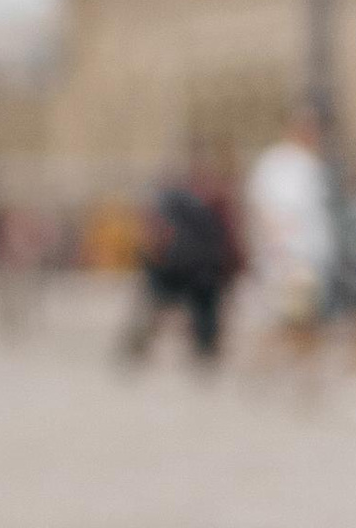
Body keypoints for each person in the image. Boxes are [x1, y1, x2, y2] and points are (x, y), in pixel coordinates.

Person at [120, 170, 241, 367]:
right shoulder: (181, 209)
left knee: (199, 305)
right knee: (156, 305)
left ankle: (204, 348)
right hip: (181, 270)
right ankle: (201, 348)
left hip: (195, 271)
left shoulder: (192, 212)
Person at [246, 104, 334, 359]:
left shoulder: (312, 164)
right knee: (292, 315)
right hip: (290, 253)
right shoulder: (276, 163)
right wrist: (281, 246)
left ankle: (301, 364)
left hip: (313, 252)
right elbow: (267, 208)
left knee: (307, 315)